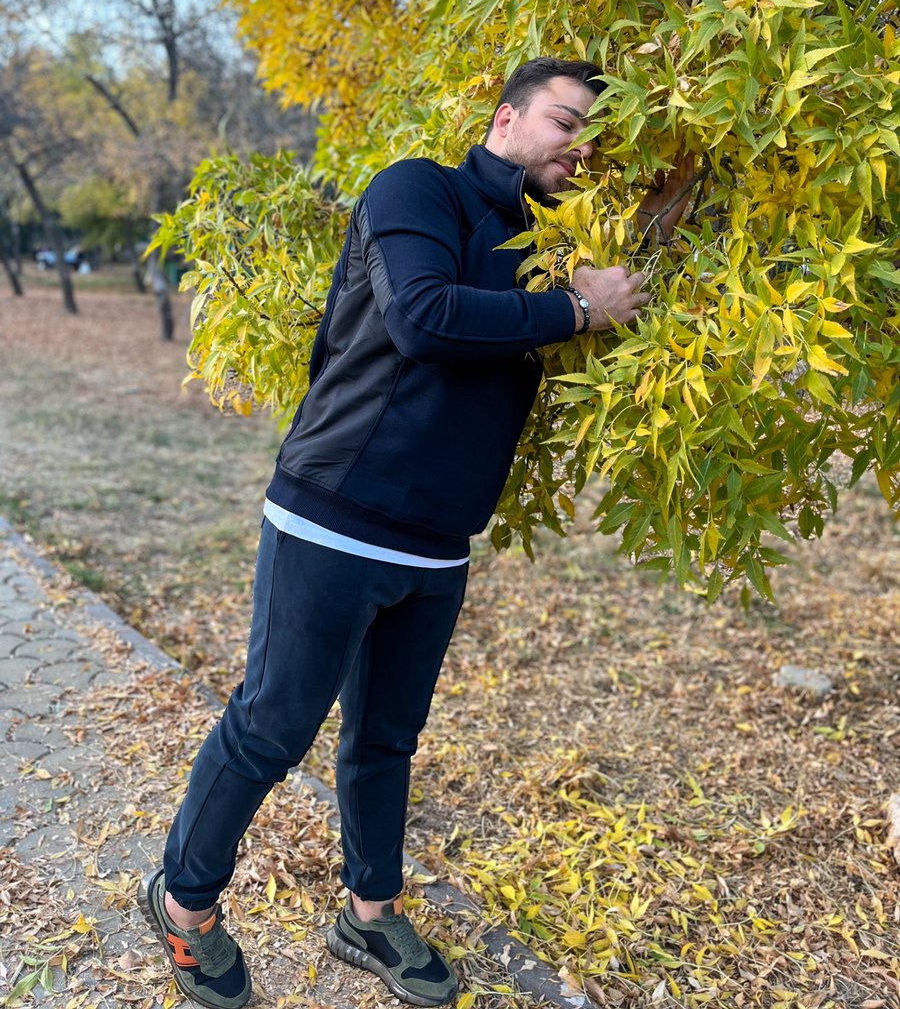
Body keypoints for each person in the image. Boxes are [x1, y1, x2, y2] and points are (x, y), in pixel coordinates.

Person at [139, 57, 695, 1009]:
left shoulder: (541, 245)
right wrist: (574, 308)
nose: (581, 148)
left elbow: (612, 292)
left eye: (594, 137)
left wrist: (668, 209)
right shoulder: (415, 188)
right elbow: (422, 318)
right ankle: (185, 904)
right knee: (273, 726)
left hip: (437, 544)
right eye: (568, 123)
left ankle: (369, 914)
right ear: (504, 118)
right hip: (333, 516)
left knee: (387, 739)